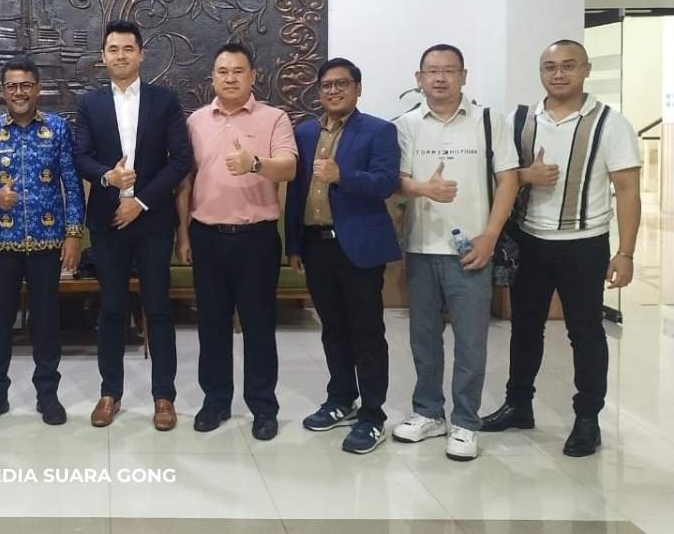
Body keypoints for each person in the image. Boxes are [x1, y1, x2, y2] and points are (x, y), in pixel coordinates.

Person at [481, 39, 641, 457]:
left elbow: (627, 189)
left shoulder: (611, 123)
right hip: (530, 241)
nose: (558, 74)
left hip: (584, 245)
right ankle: (518, 405)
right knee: (524, 329)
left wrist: (625, 252)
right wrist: (526, 175)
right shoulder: (520, 120)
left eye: (568, 65)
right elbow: (501, 174)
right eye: (549, 66)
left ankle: (587, 418)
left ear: (586, 70)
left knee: (585, 333)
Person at [392, 44, 519, 461]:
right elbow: (397, 181)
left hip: (472, 250)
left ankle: (465, 421)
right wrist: (424, 188)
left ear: (464, 76)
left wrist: (490, 236)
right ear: (419, 78)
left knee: (471, 342)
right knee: (424, 340)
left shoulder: (489, 121)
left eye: (449, 70)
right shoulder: (406, 124)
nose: (440, 78)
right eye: (432, 71)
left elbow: (509, 180)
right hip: (421, 246)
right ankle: (429, 412)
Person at [175, 42, 298, 441]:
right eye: (223, 71)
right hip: (206, 237)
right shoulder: (195, 121)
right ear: (212, 77)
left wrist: (254, 164)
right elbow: (185, 182)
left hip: (256, 238)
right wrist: (183, 233)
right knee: (211, 324)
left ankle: (263, 407)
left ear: (253, 76)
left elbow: (289, 169)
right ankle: (215, 402)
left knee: (259, 326)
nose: (230, 78)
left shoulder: (274, 118)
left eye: (238, 71)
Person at [73, 20, 191, 431]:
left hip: (153, 220)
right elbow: (81, 156)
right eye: (113, 49)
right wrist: (107, 177)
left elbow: (181, 158)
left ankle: (164, 396)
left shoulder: (165, 101)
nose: (120, 55)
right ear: (103, 56)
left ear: (141, 54)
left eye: (128, 48)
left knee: (158, 309)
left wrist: (139, 201)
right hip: (107, 222)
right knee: (111, 308)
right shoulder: (90, 103)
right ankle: (110, 393)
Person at [285, 58, 400, 454]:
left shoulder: (379, 131)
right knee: (332, 328)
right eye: (326, 85)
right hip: (316, 244)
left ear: (357, 88)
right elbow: (296, 192)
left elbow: (386, 183)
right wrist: (294, 245)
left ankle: (372, 414)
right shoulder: (304, 132)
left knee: (366, 331)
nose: (333, 91)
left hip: (359, 247)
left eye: (342, 84)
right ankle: (341, 399)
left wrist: (343, 176)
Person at [0, 55, 84, 427]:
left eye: (26, 85)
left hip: (48, 243)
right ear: (3, 91)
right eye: (12, 86)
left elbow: (72, 185)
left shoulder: (57, 129)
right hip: (0, 243)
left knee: (46, 321)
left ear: (37, 89)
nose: (19, 92)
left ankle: (47, 393)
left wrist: (73, 234)